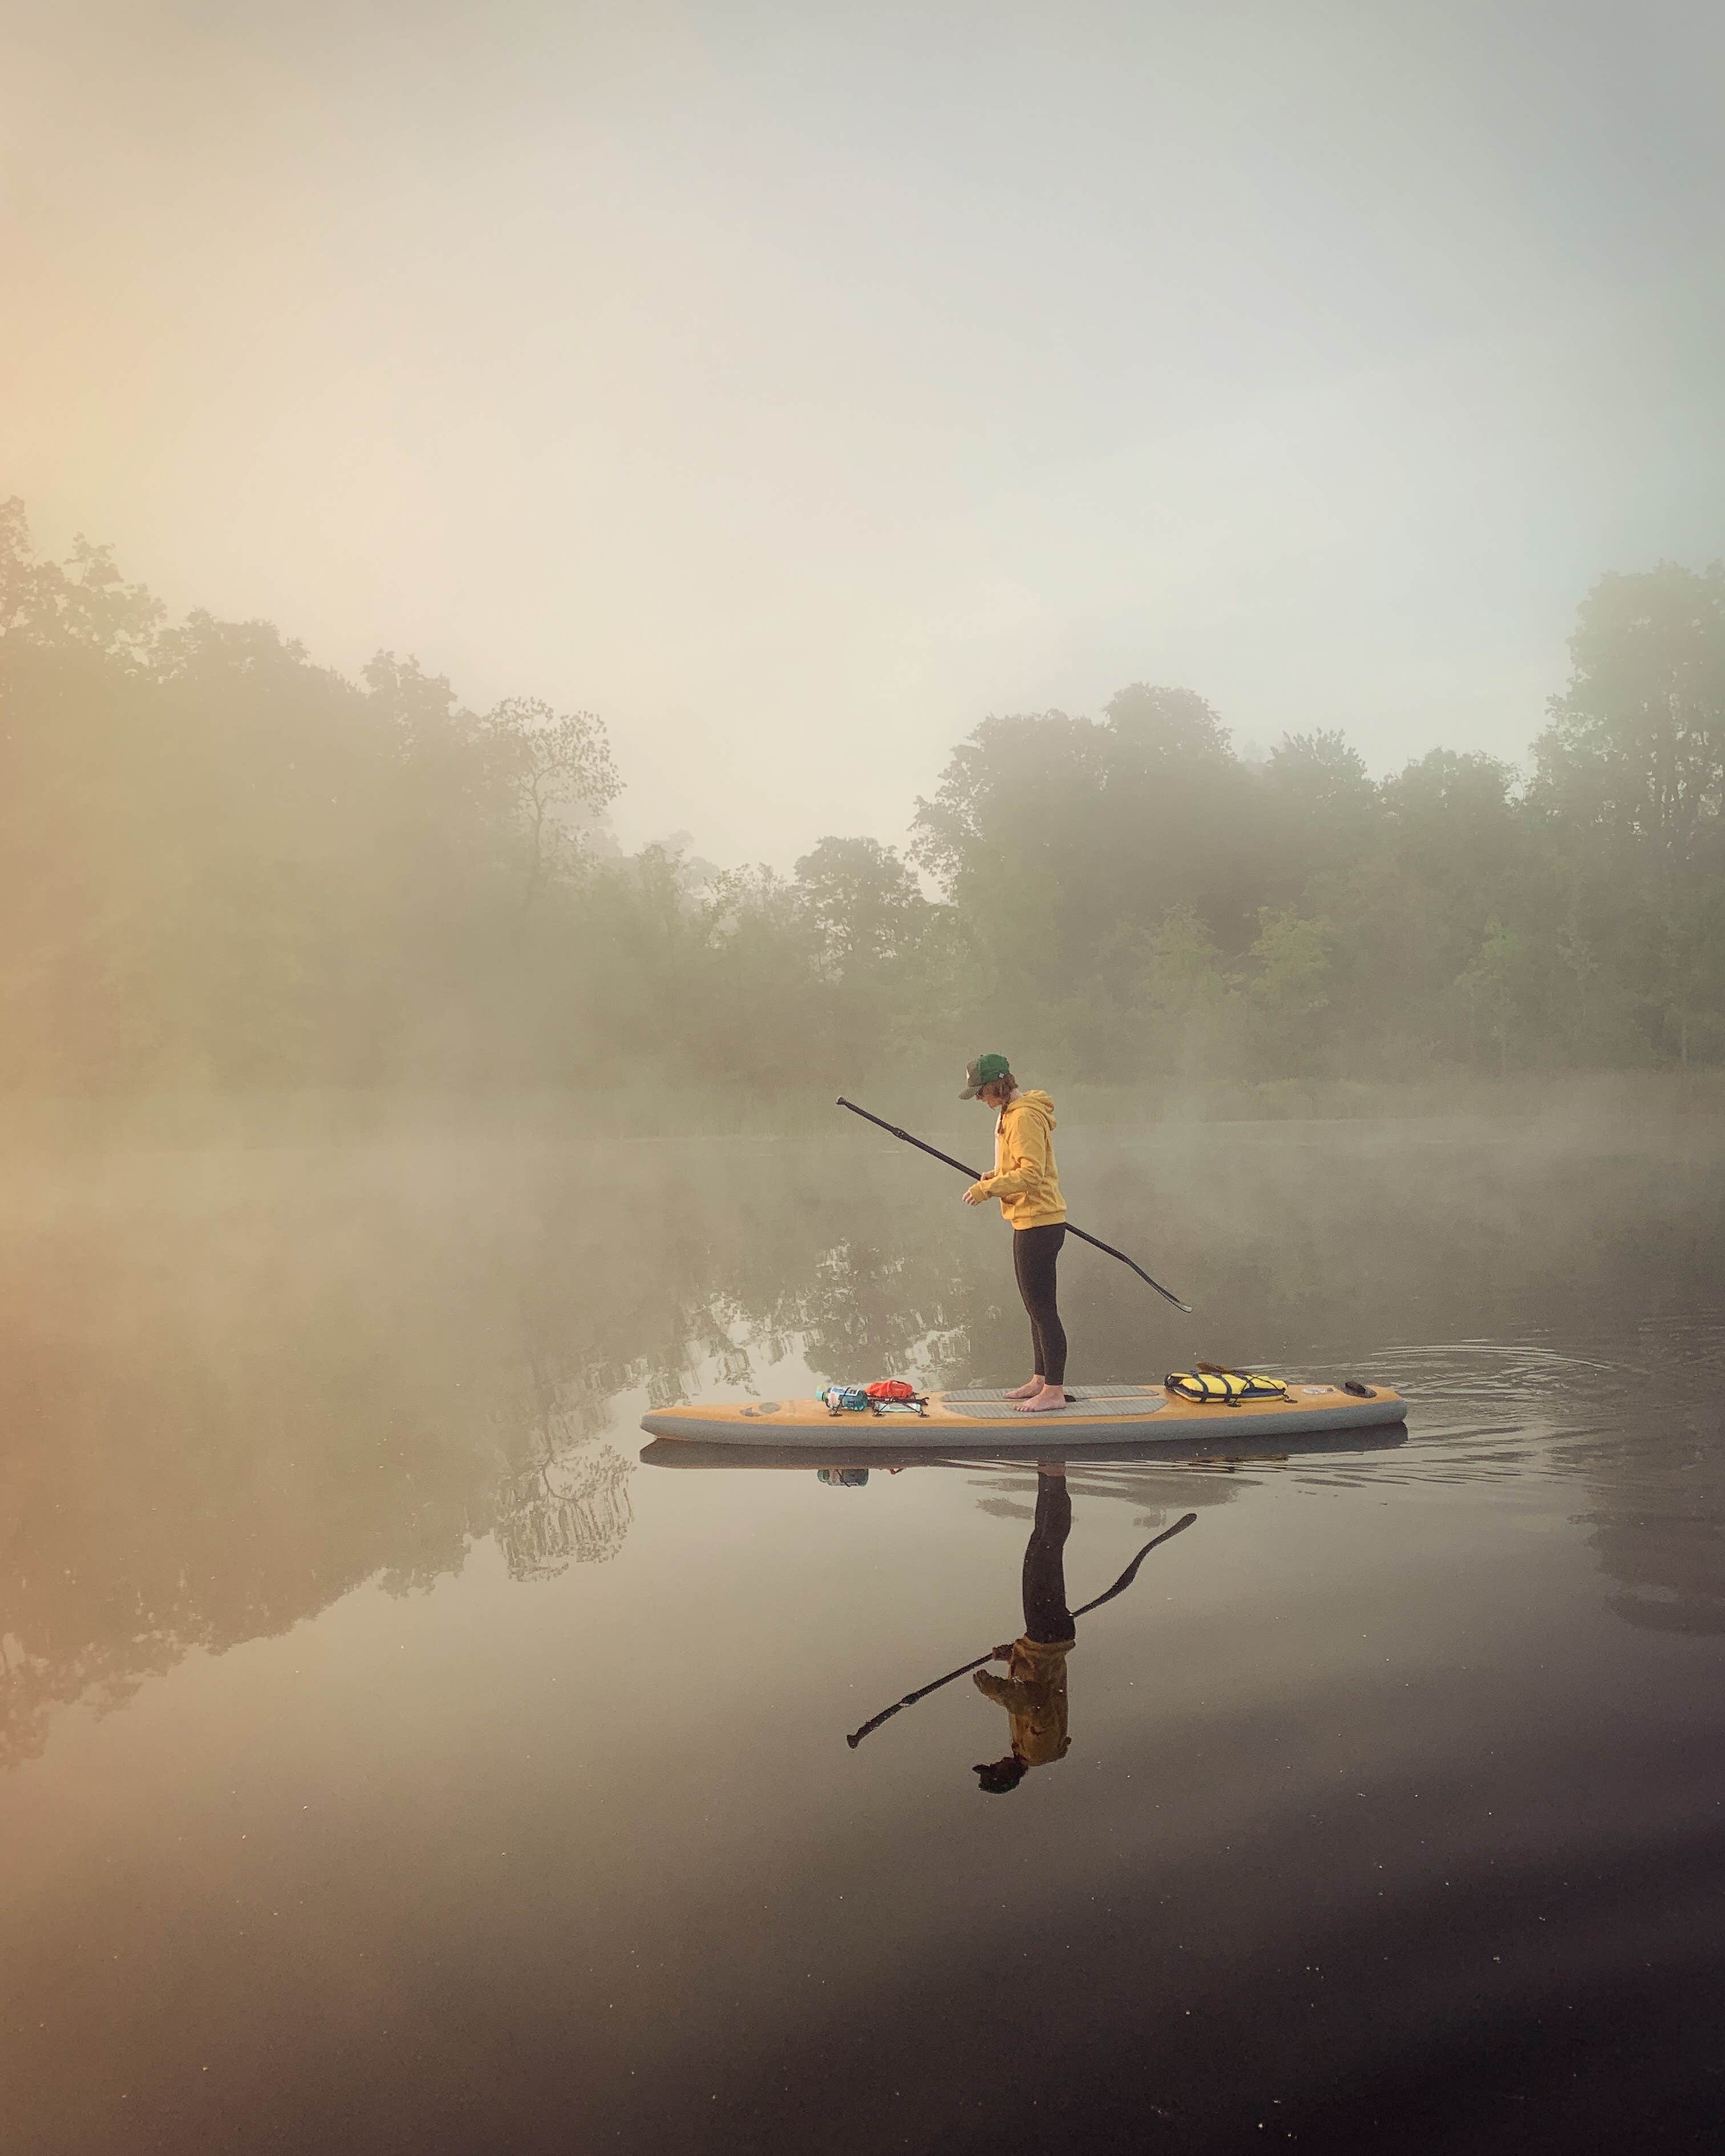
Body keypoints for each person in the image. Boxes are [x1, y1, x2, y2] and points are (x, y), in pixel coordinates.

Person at [958, 1052, 1068, 1414]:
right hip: (1029, 1220)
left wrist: (986, 1191)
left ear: (997, 1087)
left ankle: (1054, 1391)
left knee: (1044, 1310)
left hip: (1040, 1223)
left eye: (981, 1093)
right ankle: (1040, 1379)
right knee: (1033, 1308)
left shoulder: (1022, 1117)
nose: (979, 1100)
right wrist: (996, 1174)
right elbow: (1019, 1167)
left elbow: (1033, 1174)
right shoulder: (1011, 1112)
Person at [971, 1465, 1074, 1793]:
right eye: (994, 1768)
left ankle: (1049, 1477)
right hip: (1048, 1639)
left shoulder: (1021, 1749)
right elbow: (1038, 1700)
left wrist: (1012, 1656)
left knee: (1039, 1546)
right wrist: (997, 1691)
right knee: (1046, 1550)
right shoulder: (1037, 1752)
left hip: (1039, 1641)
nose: (996, 1760)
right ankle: (1055, 1476)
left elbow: (1030, 1683)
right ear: (1005, 1774)